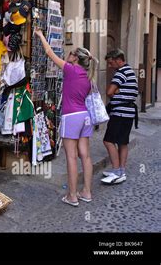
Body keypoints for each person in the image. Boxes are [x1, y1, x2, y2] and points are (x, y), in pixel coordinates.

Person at [35, 28, 98, 207]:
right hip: (85, 117)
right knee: (85, 156)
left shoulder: (70, 70)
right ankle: (86, 191)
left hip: (71, 116)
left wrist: (40, 35)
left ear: (76, 58)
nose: (68, 55)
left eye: (71, 53)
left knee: (71, 156)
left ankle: (72, 195)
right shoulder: (88, 76)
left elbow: (49, 52)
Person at [101, 49, 138, 184]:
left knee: (108, 141)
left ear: (118, 60)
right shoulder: (130, 71)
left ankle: (116, 171)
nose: (110, 66)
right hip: (128, 112)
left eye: (111, 63)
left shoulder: (121, 73)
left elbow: (109, 92)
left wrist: (116, 90)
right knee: (123, 142)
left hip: (120, 113)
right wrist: (119, 90)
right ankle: (121, 171)